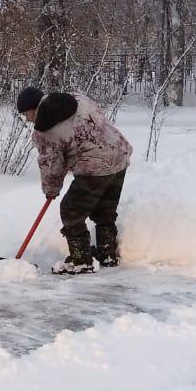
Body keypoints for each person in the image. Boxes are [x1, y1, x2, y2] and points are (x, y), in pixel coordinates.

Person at [16, 86, 132, 275]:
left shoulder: (44, 128)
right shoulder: (77, 98)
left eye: (25, 114)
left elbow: (51, 163)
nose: (27, 119)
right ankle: (107, 254)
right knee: (104, 210)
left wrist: (51, 189)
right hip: (119, 155)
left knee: (71, 211)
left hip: (94, 166)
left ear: (32, 108)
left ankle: (81, 260)